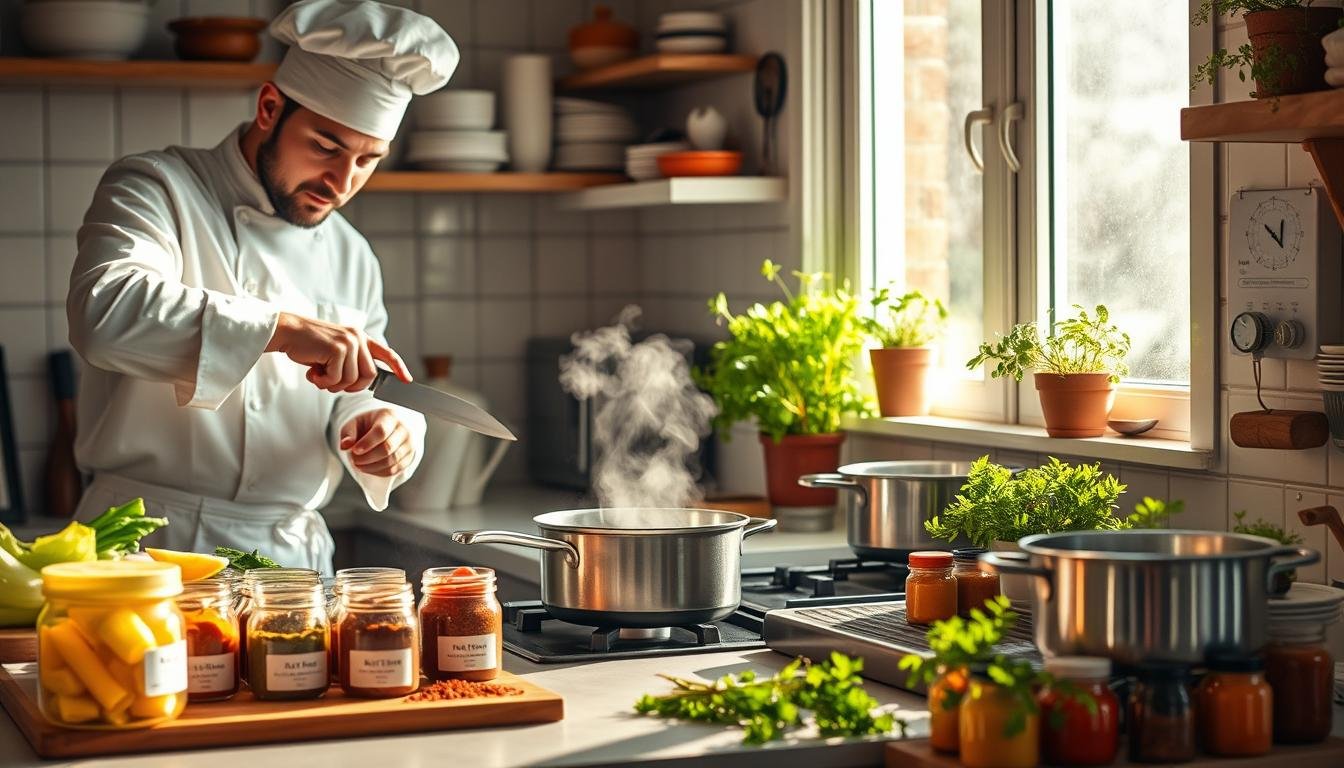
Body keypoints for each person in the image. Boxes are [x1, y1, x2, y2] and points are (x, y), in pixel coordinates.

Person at [65, 0, 460, 574]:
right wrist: (281, 330)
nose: (341, 182)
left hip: (288, 564)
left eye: (368, 160)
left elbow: (357, 387)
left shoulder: (350, 251)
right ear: (271, 107)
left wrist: (382, 429)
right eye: (326, 147)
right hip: (144, 546)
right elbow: (104, 312)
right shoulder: (157, 187)